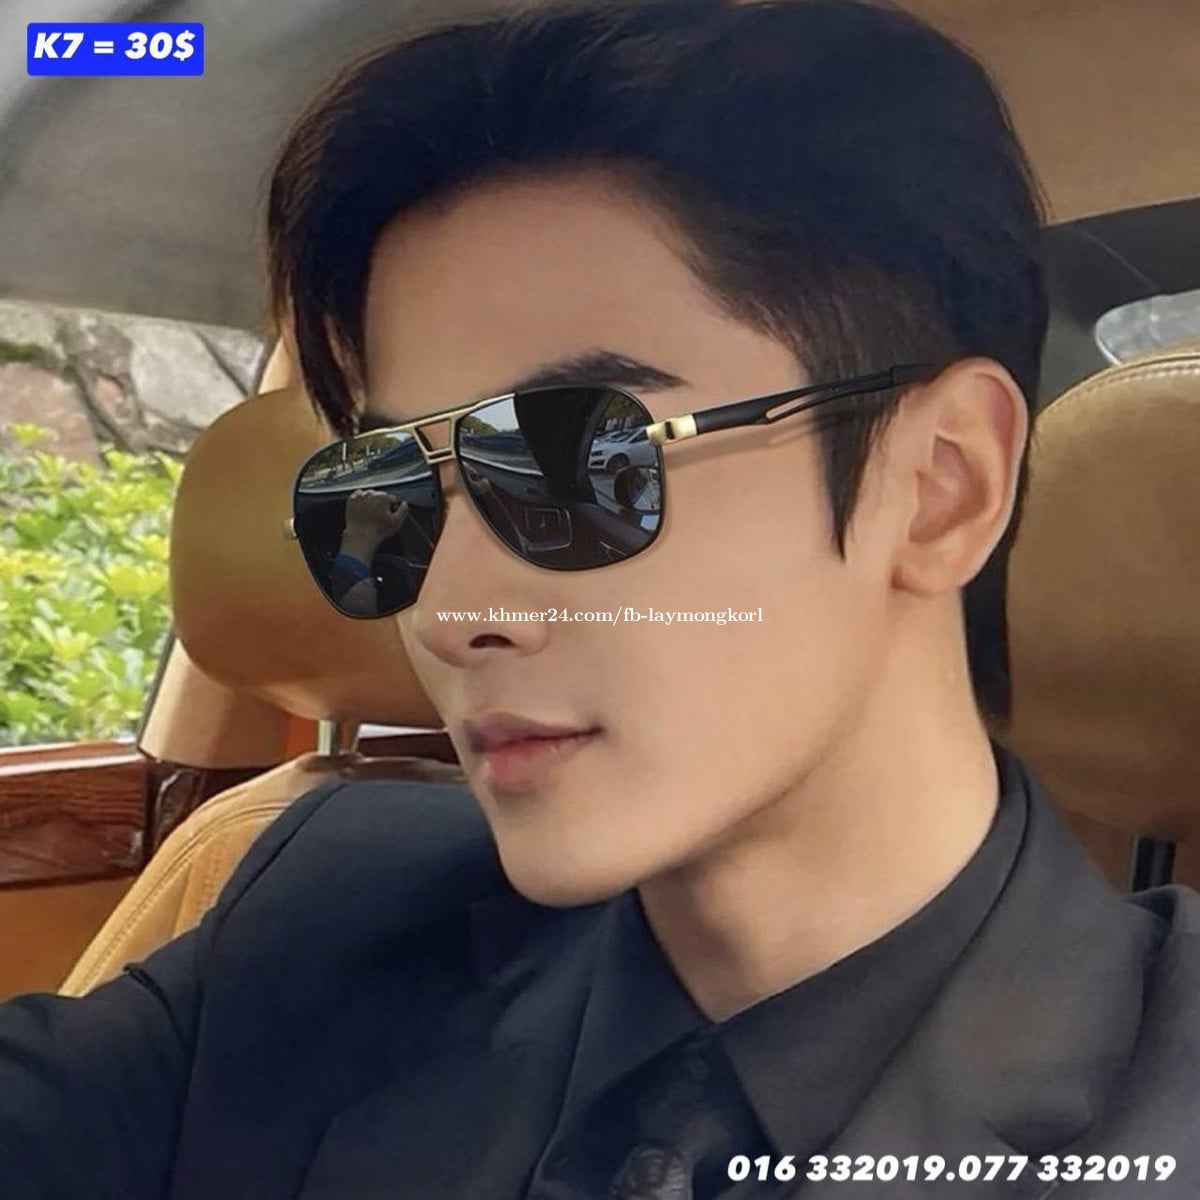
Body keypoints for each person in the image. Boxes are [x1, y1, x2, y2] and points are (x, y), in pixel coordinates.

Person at [2, 1, 1198, 1196]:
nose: (446, 613)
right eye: (393, 490)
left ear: (939, 486)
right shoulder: (330, 912)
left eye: (575, 464)